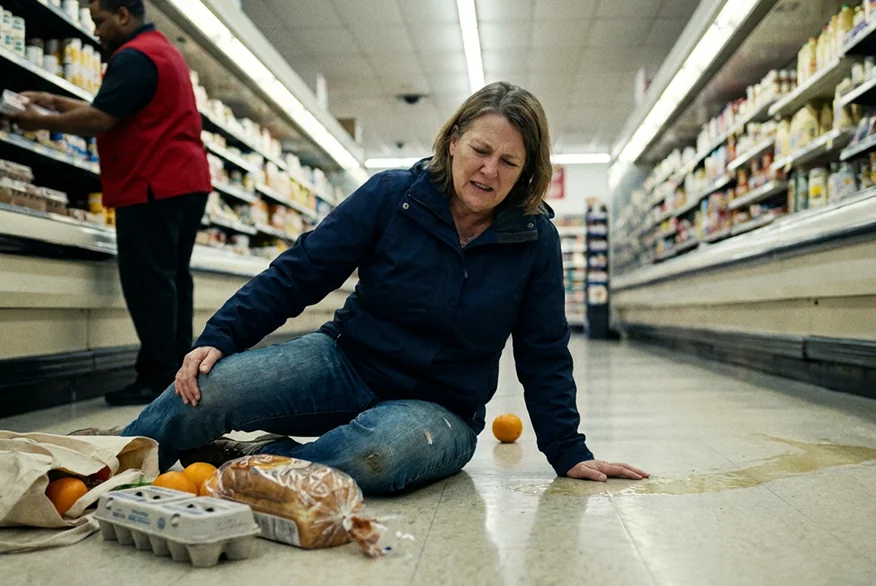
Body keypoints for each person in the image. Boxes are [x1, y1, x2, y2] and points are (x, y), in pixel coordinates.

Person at [116, 81, 649, 494]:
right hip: (344, 364)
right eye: (481, 150)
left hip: (439, 410)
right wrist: (222, 335)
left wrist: (567, 449)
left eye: (509, 161)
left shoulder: (535, 239)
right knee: (210, 388)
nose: (489, 170)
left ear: (528, 170)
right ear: (454, 139)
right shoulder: (395, 194)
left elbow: (544, 351)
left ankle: (237, 473)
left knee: (374, 454)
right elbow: (302, 269)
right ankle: (105, 468)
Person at [10, 0, 212, 405]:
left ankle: (154, 376)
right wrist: (55, 101)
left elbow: (99, 120)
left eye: (100, 22)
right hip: (184, 180)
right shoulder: (161, 50)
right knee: (172, 281)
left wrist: (38, 121)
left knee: (150, 284)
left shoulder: (134, 56)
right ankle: (174, 370)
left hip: (153, 182)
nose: (97, 31)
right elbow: (114, 110)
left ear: (123, 15)